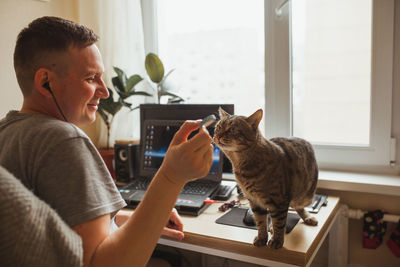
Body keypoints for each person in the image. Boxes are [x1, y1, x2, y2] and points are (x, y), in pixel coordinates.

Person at [0, 16, 213, 267]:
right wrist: (172, 177)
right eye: (91, 78)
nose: (105, 91)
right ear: (46, 82)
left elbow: (57, 228)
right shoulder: (63, 140)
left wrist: (147, 217)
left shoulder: (8, 133)